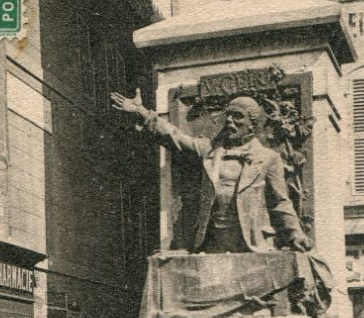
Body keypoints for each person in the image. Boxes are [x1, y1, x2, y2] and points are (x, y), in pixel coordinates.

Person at [111, 88, 311, 255]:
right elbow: (176, 137)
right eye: (228, 115)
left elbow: (280, 202)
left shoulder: (268, 158)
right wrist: (142, 112)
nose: (230, 121)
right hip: (212, 243)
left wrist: (296, 234)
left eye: (238, 116)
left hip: (251, 243)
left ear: (252, 124)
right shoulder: (209, 150)